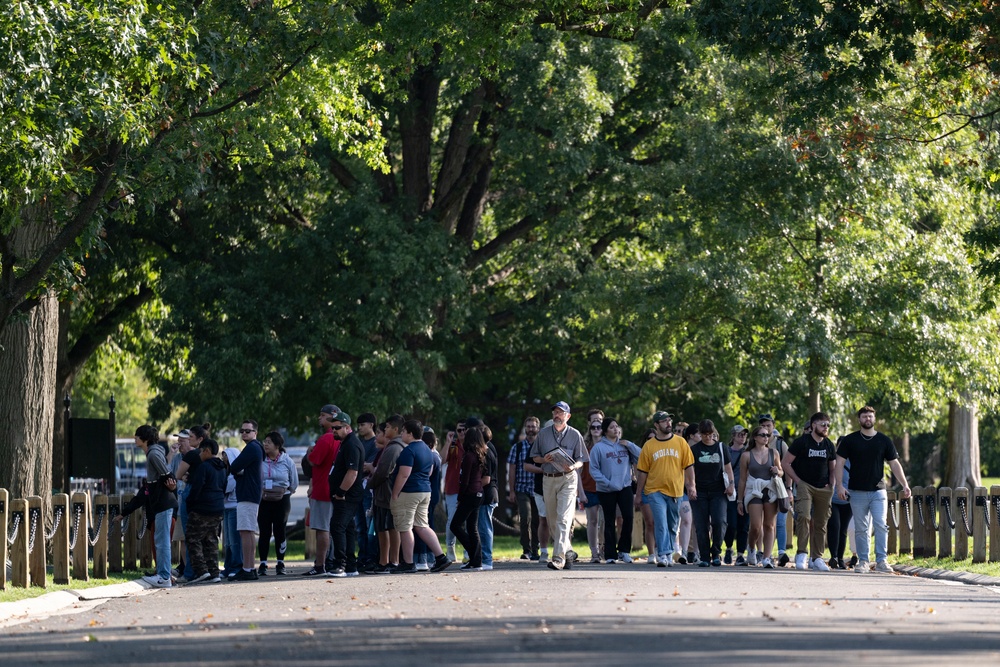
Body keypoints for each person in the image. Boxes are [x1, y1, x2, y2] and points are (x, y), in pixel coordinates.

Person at [835, 406, 912, 573]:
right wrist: (840, 485)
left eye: (870, 416)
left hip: (878, 491)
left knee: (881, 525)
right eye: (864, 417)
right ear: (859, 419)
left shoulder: (884, 440)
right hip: (856, 491)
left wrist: (905, 484)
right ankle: (863, 561)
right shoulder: (850, 440)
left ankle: (882, 561)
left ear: (874, 419)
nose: (867, 419)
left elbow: (894, 464)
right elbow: (839, 463)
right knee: (861, 528)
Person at [115, 425, 177, 588]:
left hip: (163, 503)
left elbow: (166, 475)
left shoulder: (153, 454)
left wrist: (172, 483)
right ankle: (165, 574)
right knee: (160, 540)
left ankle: (164, 576)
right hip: (160, 504)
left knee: (162, 541)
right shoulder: (154, 453)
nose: (135, 439)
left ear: (145, 439)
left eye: (137, 436)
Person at [531, 401, 589, 571]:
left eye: (561, 412)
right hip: (548, 478)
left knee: (564, 518)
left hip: (568, 479)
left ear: (568, 416)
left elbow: (581, 460)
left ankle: (558, 558)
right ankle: (569, 551)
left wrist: (573, 466)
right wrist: (544, 459)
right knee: (552, 520)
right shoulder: (543, 434)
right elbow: (534, 457)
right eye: (555, 412)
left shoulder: (575, 434)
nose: (557, 415)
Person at [389, 419, 452, 574]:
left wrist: (395, 493)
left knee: (405, 527)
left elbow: (404, 474)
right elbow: (429, 472)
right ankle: (441, 557)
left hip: (409, 492)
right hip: (425, 491)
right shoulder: (427, 449)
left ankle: (408, 563)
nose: (401, 434)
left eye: (403, 431)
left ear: (410, 434)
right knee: (422, 525)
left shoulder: (409, 450)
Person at [634, 411, 694, 568]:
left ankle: (668, 553)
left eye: (669, 420)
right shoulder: (649, 446)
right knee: (660, 522)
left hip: (676, 491)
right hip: (654, 490)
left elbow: (689, 466)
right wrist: (639, 493)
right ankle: (662, 554)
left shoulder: (681, 443)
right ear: (656, 425)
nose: (668, 423)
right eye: (664, 421)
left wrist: (692, 485)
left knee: (672, 525)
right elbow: (642, 472)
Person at [783, 412, 836, 571]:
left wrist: (831, 485)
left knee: (821, 522)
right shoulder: (801, 442)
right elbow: (786, 463)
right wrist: (798, 481)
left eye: (827, 425)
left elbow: (832, 468)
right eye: (822, 424)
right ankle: (802, 554)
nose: (826, 427)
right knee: (804, 517)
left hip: (824, 487)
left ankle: (817, 557)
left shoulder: (829, 445)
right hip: (805, 485)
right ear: (813, 426)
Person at [589, 417, 641, 564]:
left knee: (628, 518)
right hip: (606, 489)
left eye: (617, 427)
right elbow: (594, 470)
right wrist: (608, 483)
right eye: (612, 427)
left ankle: (624, 551)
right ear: (605, 431)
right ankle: (611, 554)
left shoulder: (625, 445)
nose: (616, 429)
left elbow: (642, 456)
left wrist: (630, 444)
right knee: (609, 520)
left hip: (625, 487)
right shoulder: (598, 448)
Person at [689, 419, 735, 567]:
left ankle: (716, 553)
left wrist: (732, 485)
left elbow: (728, 469)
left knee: (719, 521)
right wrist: (691, 487)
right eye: (704, 434)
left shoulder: (721, 448)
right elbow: (689, 471)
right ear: (700, 434)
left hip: (718, 491)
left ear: (714, 433)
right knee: (701, 525)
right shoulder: (694, 450)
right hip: (700, 492)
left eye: (710, 434)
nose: (707, 437)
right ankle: (704, 556)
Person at [738, 425, 785, 568]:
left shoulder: (774, 453)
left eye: (767, 435)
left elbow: (781, 472)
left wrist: (778, 470)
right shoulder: (746, 455)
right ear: (755, 437)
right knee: (756, 527)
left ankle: (767, 557)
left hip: (770, 491)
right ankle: (751, 548)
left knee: (770, 525)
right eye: (763, 435)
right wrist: (740, 500)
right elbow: (742, 480)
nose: (766, 437)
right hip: (754, 491)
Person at [326, 412, 366, 577]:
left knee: (337, 526)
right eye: (332, 427)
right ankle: (351, 565)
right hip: (344, 494)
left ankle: (340, 564)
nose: (333, 430)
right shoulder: (345, 443)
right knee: (348, 528)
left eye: (337, 428)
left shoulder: (352, 445)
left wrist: (341, 492)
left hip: (347, 495)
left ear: (348, 427)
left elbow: (352, 472)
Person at [302, 404, 340, 577]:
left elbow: (314, 461)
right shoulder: (341, 438)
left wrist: (310, 453)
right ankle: (327, 562)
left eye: (323, 415)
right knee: (327, 527)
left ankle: (320, 565)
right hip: (330, 487)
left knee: (322, 528)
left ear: (332, 417)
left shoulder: (326, 438)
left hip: (323, 488)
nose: (319, 418)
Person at [184, 438, 227, 583]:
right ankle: (214, 573)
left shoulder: (204, 467)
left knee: (192, 538)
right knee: (211, 541)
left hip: (202, 508)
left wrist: (190, 503)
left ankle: (201, 570)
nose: (200, 455)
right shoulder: (222, 467)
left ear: (207, 451)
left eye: (201, 451)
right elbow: (224, 487)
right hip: (218, 508)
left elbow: (197, 488)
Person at [257, 431, 298, 576]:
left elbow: (294, 483)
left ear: (277, 445)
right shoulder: (261, 459)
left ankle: (280, 562)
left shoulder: (287, 461)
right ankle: (263, 563)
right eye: (265, 441)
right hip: (265, 499)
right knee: (264, 531)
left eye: (269, 442)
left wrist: (284, 491)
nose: (265, 444)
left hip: (282, 499)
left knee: (280, 530)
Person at [228, 419, 264, 581]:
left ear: (255, 433)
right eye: (242, 431)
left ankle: (248, 568)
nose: (244, 433)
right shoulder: (255, 448)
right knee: (247, 531)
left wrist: (238, 471)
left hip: (248, 495)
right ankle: (249, 568)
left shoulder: (252, 448)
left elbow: (234, 466)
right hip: (250, 494)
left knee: (246, 531)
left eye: (248, 431)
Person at [369, 414, 406, 573]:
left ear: (396, 429)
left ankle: (393, 561)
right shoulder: (391, 446)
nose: (386, 430)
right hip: (383, 494)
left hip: (388, 494)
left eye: (388, 427)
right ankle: (384, 561)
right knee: (382, 528)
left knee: (390, 528)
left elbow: (383, 472)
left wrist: (370, 483)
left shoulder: (395, 447)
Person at [451, 427, 490, 571]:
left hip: (470, 494)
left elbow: (464, 481)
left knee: (455, 525)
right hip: (479, 493)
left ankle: (474, 554)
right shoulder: (480, 454)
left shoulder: (469, 456)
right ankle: (476, 560)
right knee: (472, 528)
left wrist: (460, 498)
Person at [757, 413, 792, 566]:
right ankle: (765, 553)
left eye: (768, 425)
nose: (765, 428)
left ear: (773, 426)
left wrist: (789, 488)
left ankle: (782, 552)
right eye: (762, 426)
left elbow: (787, 466)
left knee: (780, 521)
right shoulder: (755, 443)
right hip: (759, 489)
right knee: (762, 523)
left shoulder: (780, 444)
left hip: (778, 488)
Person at [508, 416, 541, 560]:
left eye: (533, 426)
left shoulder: (542, 447)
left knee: (537, 520)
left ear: (538, 429)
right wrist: (512, 490)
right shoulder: (518, 447)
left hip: (538, 489)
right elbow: (512, 469)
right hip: (522, 488)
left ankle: (536, 549)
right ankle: (526, 549)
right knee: (525, 518)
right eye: (528, 426)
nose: (530, 429)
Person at [414, 427, 443, 570]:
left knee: (421, 526)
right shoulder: (436, 456)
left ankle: (423, 557)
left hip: (427, 494)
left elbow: (427, 473)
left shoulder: (430, 457)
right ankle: (429, 556)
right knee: (427, 525)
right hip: (433, 494)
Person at [355, 412, 379, 571]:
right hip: (357, 489)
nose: (360, 428)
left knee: (370, 526)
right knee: (360, 527)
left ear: (371, 425)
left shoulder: (376, 443)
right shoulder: (358, 442)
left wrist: (358, 466)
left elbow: (365, 466)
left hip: (368, 490)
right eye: (358, 425)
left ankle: (372, 557)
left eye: (362, 424)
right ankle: (362, 556)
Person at [474, 420, 500, 570]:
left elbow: (486, 479)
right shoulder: (489, 449)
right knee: (481, 527)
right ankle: (481, 558)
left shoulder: (487, 452)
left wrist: (471, 488)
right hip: (488, 493)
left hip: (488, 493)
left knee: (484, 528)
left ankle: (487, 559)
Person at [724, 425, 750, 565]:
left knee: (744, 525)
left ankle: (740, 554)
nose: (742, 437)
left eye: (744, 435)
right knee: (731, 524)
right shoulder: (726, 452)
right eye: (739, 434)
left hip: (745, 492)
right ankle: (728, 548)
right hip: (729, 493)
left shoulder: (748, 452)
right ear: (733, 436)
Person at [827, 438, 853, 569]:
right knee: (834, 526)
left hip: (848, 500)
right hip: (832, 499)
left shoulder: (853, 460)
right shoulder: (832, 460)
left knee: (843, 529)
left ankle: (841, 558)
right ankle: (834, 557)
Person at [582, 416, 605, 562]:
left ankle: (603, 548)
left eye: (599, 427)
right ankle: (594, 552)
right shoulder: (584, 445)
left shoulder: (607, 444)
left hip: (605, 488)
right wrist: (580, 491)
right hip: (589, 487)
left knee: (605, 521)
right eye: (593, 427)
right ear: (590, 429)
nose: (596, 429)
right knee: (592, 521)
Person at [443, 421, 467, 562]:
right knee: (452, 520)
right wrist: (448, 442)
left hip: (468, 488)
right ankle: (450, 548)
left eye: (465, 429)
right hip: (452, 487)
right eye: (459, 430)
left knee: (469, 521)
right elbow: (442, 460)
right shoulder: (453, 445)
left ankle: (468, 549)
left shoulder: (472, 444)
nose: (462, 432)